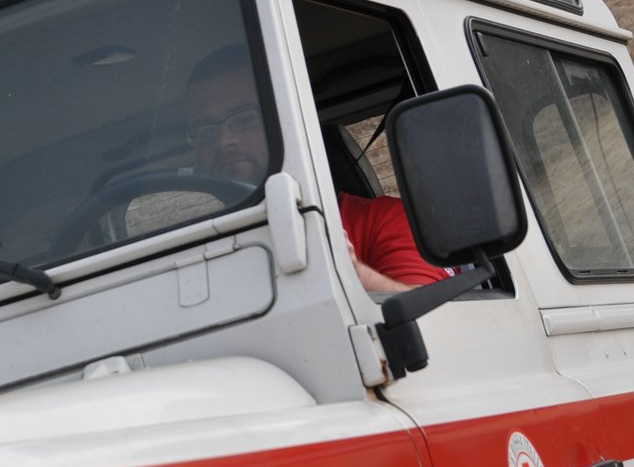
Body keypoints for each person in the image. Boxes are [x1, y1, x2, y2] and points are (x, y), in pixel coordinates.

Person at [185, 47, 448, 292]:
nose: (222, 141)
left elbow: (439, 321)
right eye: (205, 131)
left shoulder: (381, 220)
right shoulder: (193, 249)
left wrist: (354, 274)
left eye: (244, 119)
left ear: (285, 122)